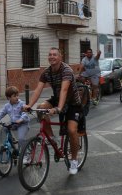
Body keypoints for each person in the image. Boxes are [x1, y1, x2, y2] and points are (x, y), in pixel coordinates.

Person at [22, 47, 83, 175]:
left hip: (72, 103)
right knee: (40, 108)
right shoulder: (46, 72)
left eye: (55, 54)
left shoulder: (66, 70)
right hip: (57, 99)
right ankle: (51, 137)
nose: (52, 57)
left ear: (60, 57)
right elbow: (38, 90)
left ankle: (74, 160)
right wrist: (29, 105)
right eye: (50, 55)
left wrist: (59, 108)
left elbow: (64, 90)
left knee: (72, 130)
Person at [0, 86, 30, 159]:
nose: (17, 97)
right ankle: (14, 144)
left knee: (21, 139)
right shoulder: (7, 106)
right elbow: (1, 113)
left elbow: (25, 113)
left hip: (23, 124)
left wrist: (21, 119)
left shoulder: (21, 104)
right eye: (14, 96)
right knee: (5, 128)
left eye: (17, 95)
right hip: (14, 124)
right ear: (8, 98)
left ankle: (25, 156)